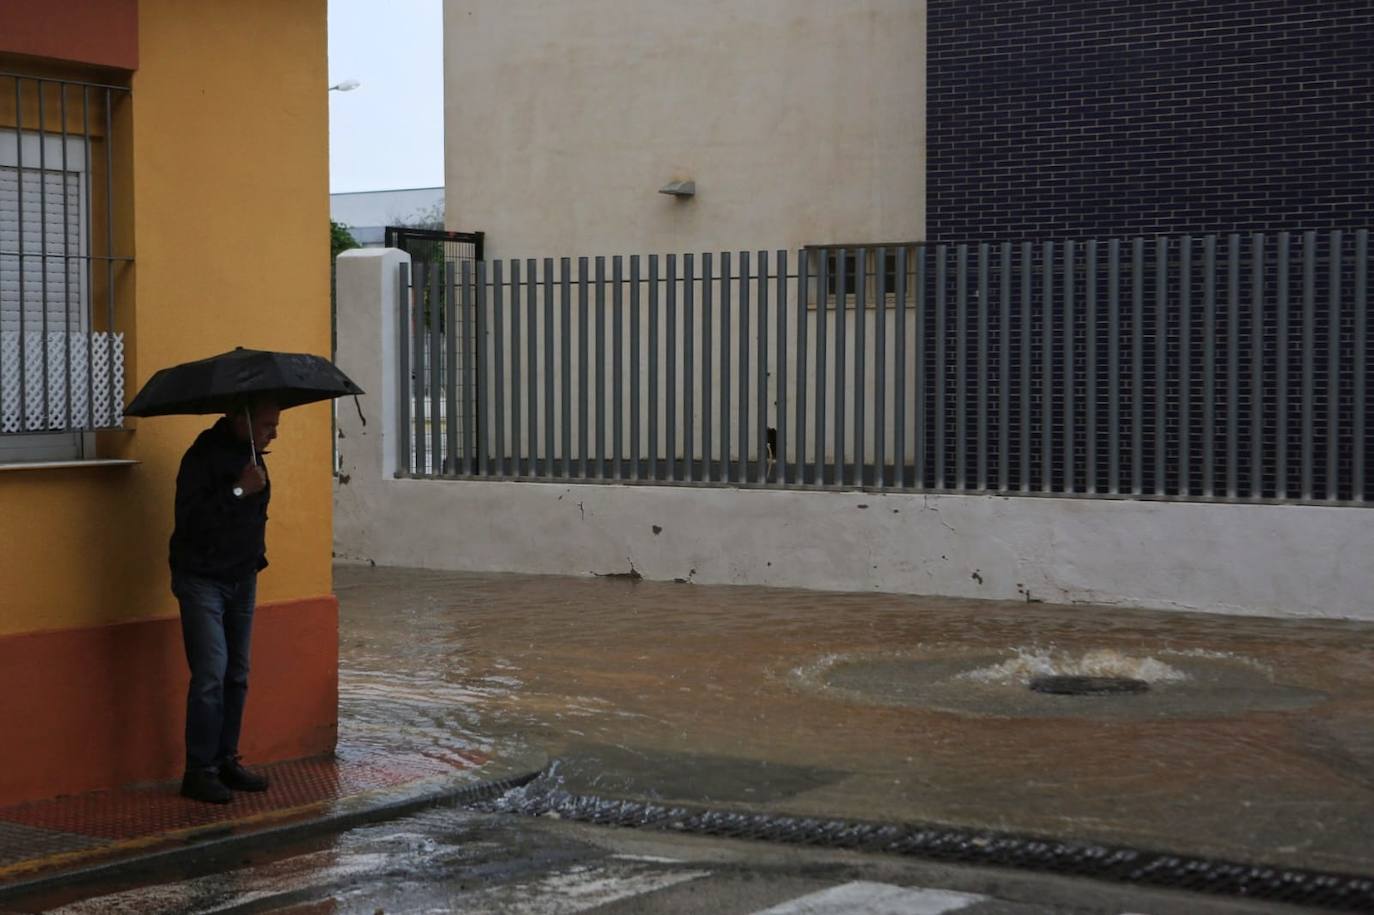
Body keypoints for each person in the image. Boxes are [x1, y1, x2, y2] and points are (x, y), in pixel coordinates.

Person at [168, 398, 280, 803]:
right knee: (211, 674)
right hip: (202, 579)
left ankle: (225, 759)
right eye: (268, 424)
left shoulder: (254, 458)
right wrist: (238, 489)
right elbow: (192, 520)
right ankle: (198, 771)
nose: (274, 433)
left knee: (237, 673)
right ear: (241, 419)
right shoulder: (201, 457)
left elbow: (252, 516)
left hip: (241, 576)